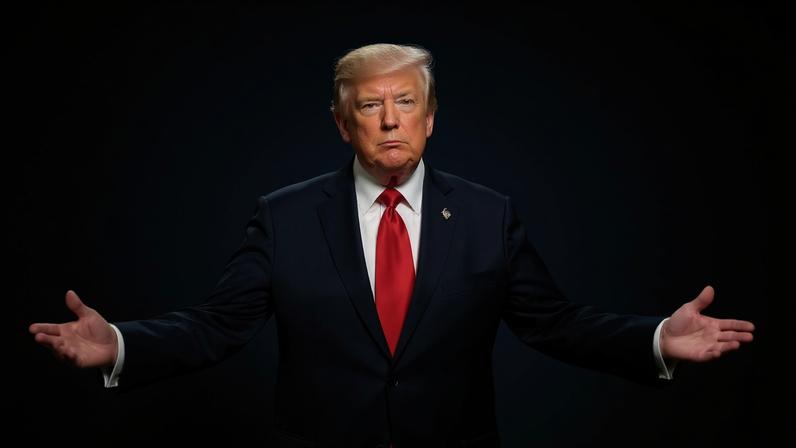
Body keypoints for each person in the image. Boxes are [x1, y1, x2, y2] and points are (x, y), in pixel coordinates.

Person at [29, 43, 754, 447]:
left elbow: (554, 323)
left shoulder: (486, 214)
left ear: (432, 118)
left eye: (405, 102)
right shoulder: (283, 218)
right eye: (369, 105)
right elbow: (217, 325)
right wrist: (118, 345)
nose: (388, 120)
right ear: (342, 124)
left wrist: (658, 338)